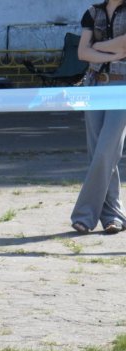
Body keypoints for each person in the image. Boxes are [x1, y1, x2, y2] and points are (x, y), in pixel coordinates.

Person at [70, 0, 126, 235]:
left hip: (121, 87)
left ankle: (84, 214)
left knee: (105, 150)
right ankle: (113, 215)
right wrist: (112, 53)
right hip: (94, 86)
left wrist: (97, 47)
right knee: (99, 154)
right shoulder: (92, 12)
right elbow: (82, 52)